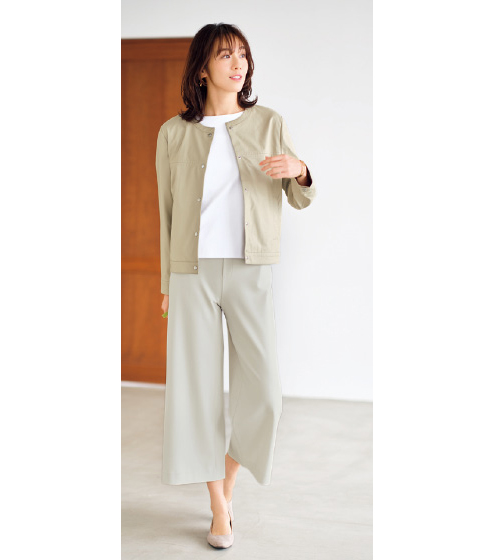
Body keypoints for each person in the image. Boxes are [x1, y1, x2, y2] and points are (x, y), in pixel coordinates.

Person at [155, 22, 316, 549]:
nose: (238, 63)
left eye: (243, 54)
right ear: (202, 68)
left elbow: (300, 197)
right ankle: (218, 507)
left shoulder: (269, 122)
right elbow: (166, 212)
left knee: (264, 392)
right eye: (225, 55)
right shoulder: (173, 132)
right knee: (196, 391)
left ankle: (226, 480)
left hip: (250, 269)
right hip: (191, 274)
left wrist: (300, 169)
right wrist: (166, 281)